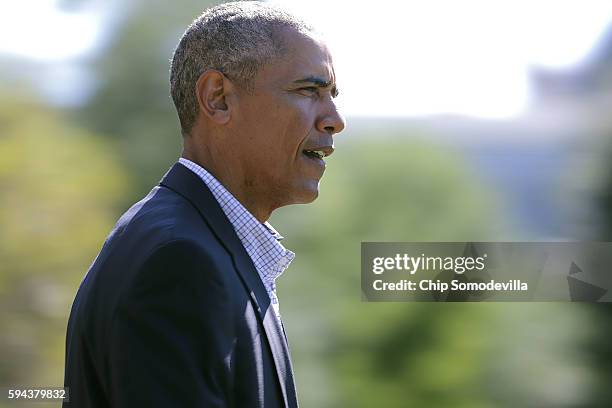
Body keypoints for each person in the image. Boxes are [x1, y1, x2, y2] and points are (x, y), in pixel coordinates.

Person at [62, 1, 345, 407]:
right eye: (309, 91)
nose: (335, 119)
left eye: (332, 95)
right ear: (218, 98)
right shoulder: (179, 262)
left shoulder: (196, 243)